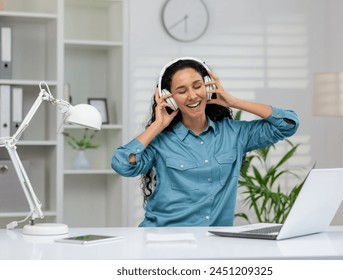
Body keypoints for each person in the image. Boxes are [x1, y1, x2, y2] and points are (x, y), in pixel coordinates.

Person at [111, 57, 299, 227]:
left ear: (208, 87)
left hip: (214, 242)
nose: (192, 96)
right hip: (163, 238)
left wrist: (233, 101)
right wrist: (158, 125)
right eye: (182, 91)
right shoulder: (161, 141)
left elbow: (288, 124)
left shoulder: (235, 133)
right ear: (170, 98)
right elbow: (122, 165)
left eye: (197, 86)